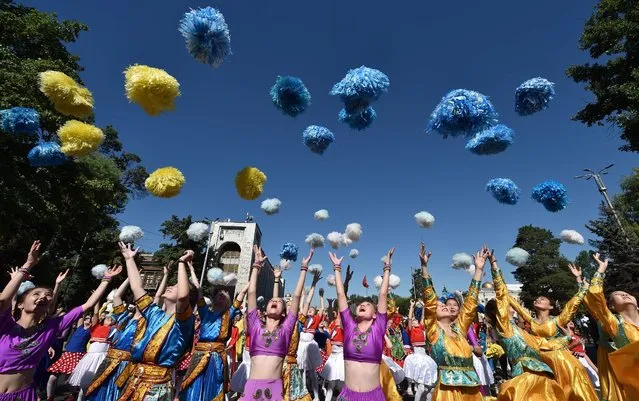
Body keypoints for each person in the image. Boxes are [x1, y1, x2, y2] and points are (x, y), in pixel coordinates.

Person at [0, 241, 121, 401]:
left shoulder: (51, 327)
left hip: (23, 396)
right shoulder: (5, 324)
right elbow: (3, 300)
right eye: (36, 294)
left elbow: (88, 305)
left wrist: (106, 280)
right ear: (21, 304)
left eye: (47, 295)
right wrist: (28, 264)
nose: (43, 296)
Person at [484, 250, 568, 401]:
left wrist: (567, 338)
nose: (509, 305)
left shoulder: (520, 331)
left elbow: (543, 343)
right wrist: (493, 263)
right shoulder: (505, 327)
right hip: (525, 377)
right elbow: (502, 293)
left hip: (542, 376)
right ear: (499, 312)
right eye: (503, 306)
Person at [115, 242, 195, 401]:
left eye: (176, 285)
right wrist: (129, 259)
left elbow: (183, 296)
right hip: (134, 379)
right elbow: (137, 287)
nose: (171, 286)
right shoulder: (154, 313)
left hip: (156, 386)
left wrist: (181, 263)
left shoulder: (183, 322)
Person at [508, 263, 599, 401]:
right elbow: (510, 300)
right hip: (541, 362)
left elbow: (574, 303)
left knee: (572, 392)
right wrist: (494, 266)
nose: (538, 299)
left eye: (542, 299)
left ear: (550, 306)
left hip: (562, 361)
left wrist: (579, 280)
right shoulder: (531, 321)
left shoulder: (558, 320)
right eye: (537, 299)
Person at [240, 245, 311, 401]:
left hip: (275, 390)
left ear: (284, 312)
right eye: (272, 300)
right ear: (264, 310)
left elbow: (297, 296)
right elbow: (251, 292)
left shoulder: (286, 329)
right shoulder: (255, 326)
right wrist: (256, 265)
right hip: (251, 389)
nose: (274, 300)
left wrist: (304, 269)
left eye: (279, 301)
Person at [328, 247, 396, 401]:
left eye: (367, 304)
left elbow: (383, 294)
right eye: (360, 304)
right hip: (346, 396)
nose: (362, 304)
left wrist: (387, 268)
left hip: (373, 396)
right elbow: (341, 295)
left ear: (375, 314)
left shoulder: (378, 328)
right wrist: (337, 269)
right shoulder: (349, 327)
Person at [420, 243, 485, 401]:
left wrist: (478, 270)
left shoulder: (459, 329)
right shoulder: (434, 332)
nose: (443, 306)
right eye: (440, 305)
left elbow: (470, 303)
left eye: (446, 306)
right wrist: (424, 267)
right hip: (447, 391)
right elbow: (429, 299)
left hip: (471, 388)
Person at [179, 272, 248, 401]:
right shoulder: (204, 312)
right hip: (199, 354)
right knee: (193, 384)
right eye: (220, 295)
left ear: (228, 301)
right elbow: (198, 289)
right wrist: (191, 269)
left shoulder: (229, 314)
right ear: (215, 299)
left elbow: (242, 294)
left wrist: (255, 270)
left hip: (216, 357)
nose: (222, 296)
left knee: (214, 385)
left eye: (225, 296)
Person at [581, 253, 639, 401]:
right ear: (612, 306)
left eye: (626, 293)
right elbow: (594, 296)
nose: (625, 295)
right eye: (619, 295)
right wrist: (601, 269)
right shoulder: (614, 324)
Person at [85, 278, 141, 401]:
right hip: (110, 361)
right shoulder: (123, 317)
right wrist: (130, 278)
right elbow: (116, 296)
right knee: (98, 389)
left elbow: (158, 297)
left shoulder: (149, 324)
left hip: (127, 365)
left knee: (118, 394)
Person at [297, 273, 324, 401]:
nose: (310, 311)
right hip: (301, 345)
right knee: (301, 372)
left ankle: (317, 395)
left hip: (310, 345)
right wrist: (302, 291)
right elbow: (303, 300)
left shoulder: (316, 319)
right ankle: (303, 393)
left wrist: (314, 284)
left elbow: (321, 308)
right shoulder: (302, 318)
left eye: (312, 310)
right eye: (309, 310)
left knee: (312, 372)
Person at [403, 299, 437, 401]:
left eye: (415, 320)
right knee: (421, 386)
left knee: (428, 387)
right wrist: (412, 306)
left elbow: (423, 316)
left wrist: (423, 306)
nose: (414, 321)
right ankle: (412, 390)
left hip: (424, 355)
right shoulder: (411, 330)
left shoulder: (421, 327)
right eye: (412, 321)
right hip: (416, 356)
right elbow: (409, 318)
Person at [566, 322, 599, 390]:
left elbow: (584, 354)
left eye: (571, 320)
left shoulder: (577, 336)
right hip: (574, 362)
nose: (571, 322)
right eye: (568, 321)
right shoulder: (565, 337)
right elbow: (564, 350)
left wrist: (595, 369)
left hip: (583, 361)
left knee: (595, 384)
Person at [320, 312, 344, 401]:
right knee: (331, 383)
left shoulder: (343, 329)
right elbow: (330, 316)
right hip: (333, 357)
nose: (336, 320)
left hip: (340, 357)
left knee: (341, 384)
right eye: (337, 319)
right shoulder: (333, 328)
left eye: (339, 319)